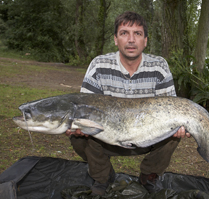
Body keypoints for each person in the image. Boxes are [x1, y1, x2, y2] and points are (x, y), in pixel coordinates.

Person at [66, 11, 190, 196]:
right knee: (78, 135)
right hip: (106, 138)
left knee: (173, 134)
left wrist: (178, 127)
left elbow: (170, 110)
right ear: (116, 39)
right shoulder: (99, 65)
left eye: (137, 34)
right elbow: (86, 109)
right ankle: (103, 177)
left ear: (145, 40)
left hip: (147, 137)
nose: (131, 40)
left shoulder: (159, 67)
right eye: (124, 33)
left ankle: (148, 176)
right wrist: (77, 124)